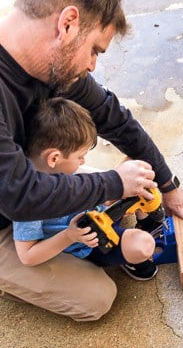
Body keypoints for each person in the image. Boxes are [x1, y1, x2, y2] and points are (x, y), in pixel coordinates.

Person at [0, 0, 183, 321]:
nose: (92, 66)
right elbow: (19, 197)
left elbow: (114, 118)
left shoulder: (52, 68)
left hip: (35, 178)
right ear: (68, 24)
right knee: (97, 298)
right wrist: (110, 185)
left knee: (124, 180)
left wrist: (167, 183)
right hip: (9, 214)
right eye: (95, 51)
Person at [13, 97, 158, 281]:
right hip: (89, 238)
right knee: (143, 245)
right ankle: (130, 258)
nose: (83, 161)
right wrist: (70, 236)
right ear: (54, 158)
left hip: (97, 206)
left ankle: (147, 222)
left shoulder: (55, 166)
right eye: (80, 156)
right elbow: (27, 256)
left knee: (138, 171)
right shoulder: (29, 201)